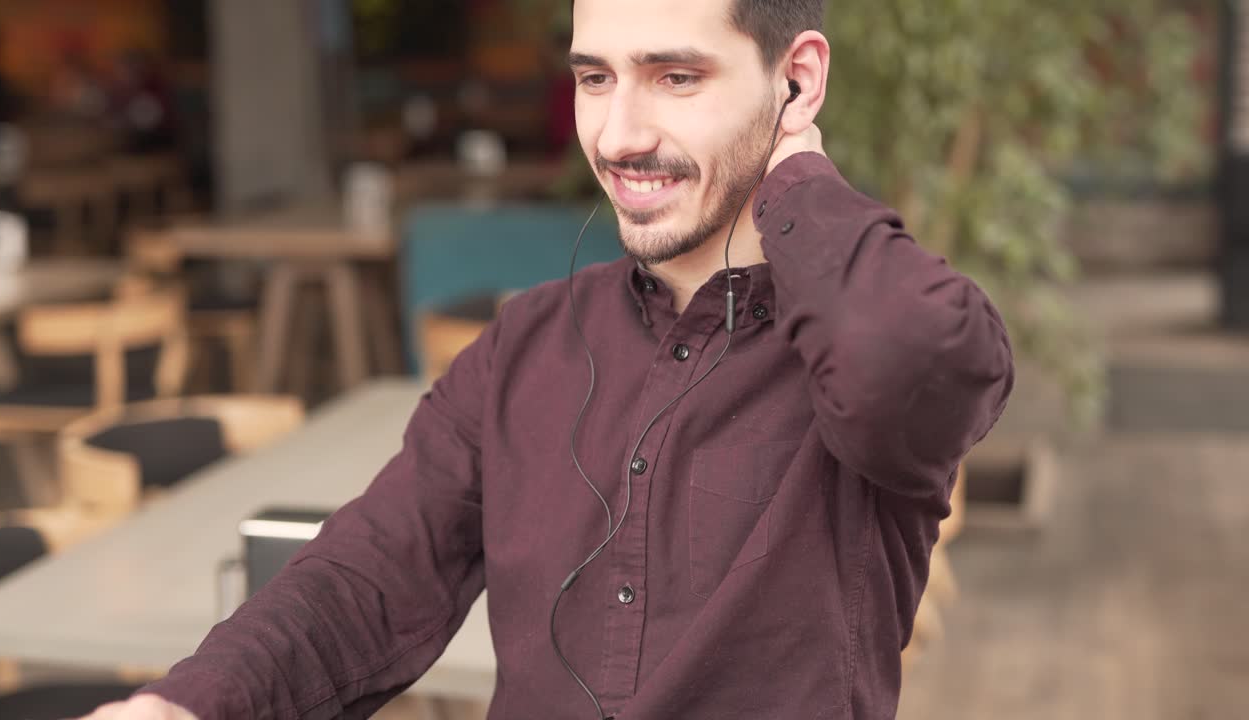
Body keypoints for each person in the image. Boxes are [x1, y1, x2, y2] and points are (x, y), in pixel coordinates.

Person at [84, 0, 1013, 718]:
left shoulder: (867, 340)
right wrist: (189, 703)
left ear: (797, 82)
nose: (617, 136)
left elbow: (904, 361)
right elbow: (368, 578)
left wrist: (797, 175)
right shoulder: (523, 343)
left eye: (675, 77)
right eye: (595, 79)